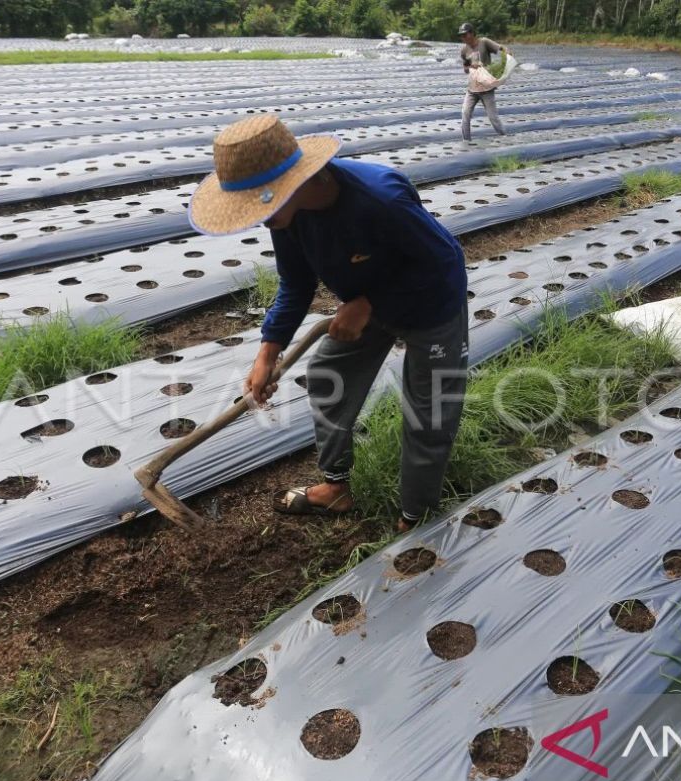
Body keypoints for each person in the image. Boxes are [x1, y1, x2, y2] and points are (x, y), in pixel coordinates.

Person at [187, 115, 470, 533]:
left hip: (430, 306)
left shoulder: (379, 199)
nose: (259, 217)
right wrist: (268, 351)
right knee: (326, 376)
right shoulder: (287, 216)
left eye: (261, 203)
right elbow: (296, 283)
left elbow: (445, 262)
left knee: (428, 413)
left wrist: (368, 303)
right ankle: (336, 487)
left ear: (295, 182)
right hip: (363, 307)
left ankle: (417, 515)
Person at [458, 22, 507, 142]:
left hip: (486, 89)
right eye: (461, 36)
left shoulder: (484, 42)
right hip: (472, 89)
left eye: (465, 35)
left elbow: (501, 48)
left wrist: (507, 52)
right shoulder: (464, 50)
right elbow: (465, 68)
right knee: (465, 114)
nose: (463, 38)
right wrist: (470, 66)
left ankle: (505, 139)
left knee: (493, 118)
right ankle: (466, 142)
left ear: (472, 33)